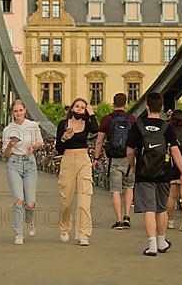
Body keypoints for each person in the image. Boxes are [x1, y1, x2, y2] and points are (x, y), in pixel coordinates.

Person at [126, 92, 182, 257]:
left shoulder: (138, 125)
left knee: (149, 209)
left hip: (144, 173)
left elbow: (130, 151)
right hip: (163, 173)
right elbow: (174, 150)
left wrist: (133, 166)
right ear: (161, 108)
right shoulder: (167, 127)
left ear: (146, 107)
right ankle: (162, 241)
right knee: (161, 209)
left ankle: (152, 245)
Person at [55, 98, 99, 246]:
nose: (79, 109)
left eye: (82, 107)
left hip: (83, 160)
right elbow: (58, 148)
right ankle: (65, 227)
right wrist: (63, 138)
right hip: (67, 159)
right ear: (72, 108)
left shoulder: (87, 124)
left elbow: (95, 129)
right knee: (66, 200)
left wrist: (92, 114)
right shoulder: (63, 124)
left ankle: (83, 234)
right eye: (77, 106)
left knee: (84, 199)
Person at [2, 100, 43, 245]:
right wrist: (10, 145)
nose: (18, 113)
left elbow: (40, 142)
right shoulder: (8, 129)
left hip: (30, 163)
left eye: (20, 110)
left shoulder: (32, 126)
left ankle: (30, 220)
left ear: (25, 110)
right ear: (12, 113)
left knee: (30, 203)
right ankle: (18, 233)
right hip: (14, 164)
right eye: (15, 111)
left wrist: (34, 146)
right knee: (18, 199)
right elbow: (5, 154)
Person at [94, 93, 136, 230]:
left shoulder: (106, 119)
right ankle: (127, 216)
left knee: (116, 190)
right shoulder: (132, 119)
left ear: (113, 103)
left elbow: (99, 141)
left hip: (114, 159)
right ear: (126, 104)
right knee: (129, 187)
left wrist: (96, 158)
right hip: (129, 159)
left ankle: (118, 220)